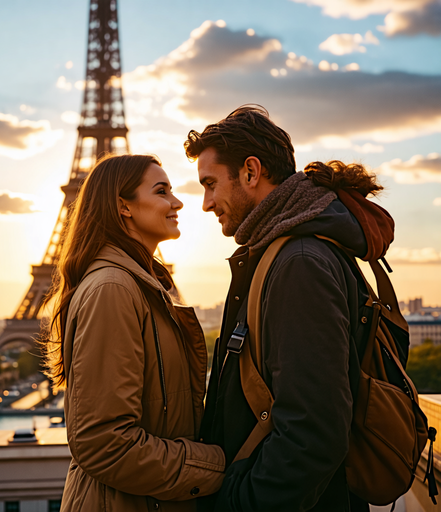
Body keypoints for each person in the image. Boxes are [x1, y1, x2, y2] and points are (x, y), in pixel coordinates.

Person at [184, 105, 395, 512]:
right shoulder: (290, 251)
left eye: (210, 184)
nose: (206, 203)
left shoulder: (298, 262)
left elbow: (313, 432)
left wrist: (239, 503)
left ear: (250, 171)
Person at [41, 154, 225, 512]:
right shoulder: (114, 289)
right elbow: (103, 443)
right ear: (123, 207)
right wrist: (218, 466)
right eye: (161, 191)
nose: (177, 202)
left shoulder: (135, 287)